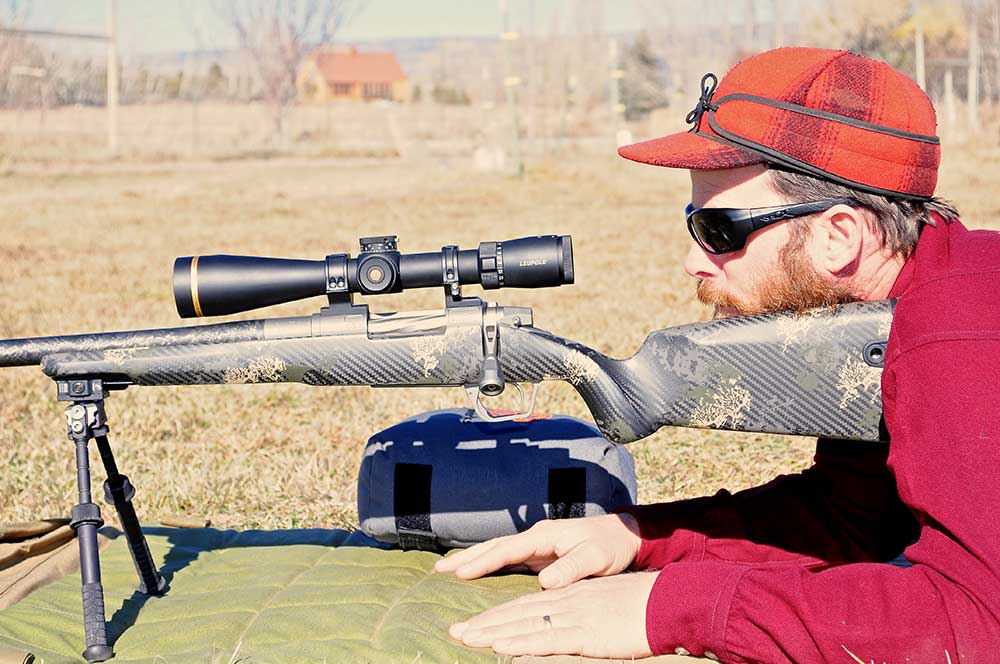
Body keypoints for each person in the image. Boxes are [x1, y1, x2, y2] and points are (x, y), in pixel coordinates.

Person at [433, 46, 1000, 663]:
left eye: (720, 230)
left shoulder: (957, 339)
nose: (693, 261)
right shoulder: (908, 301)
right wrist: (637, 537)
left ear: (839, 236)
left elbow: (978, 621)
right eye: (692, 222)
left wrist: (675, 606)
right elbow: (852, 518)